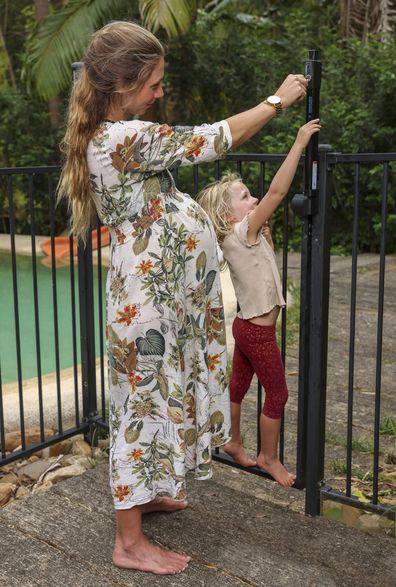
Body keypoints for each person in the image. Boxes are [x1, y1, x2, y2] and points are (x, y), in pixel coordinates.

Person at [58, 20, 307, 575]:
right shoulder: (122, 139)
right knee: (139, 407)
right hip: (145, 307)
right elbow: (215, 139)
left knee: (151, 398)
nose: (159, 92)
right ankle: (128, 542)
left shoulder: (118, 136)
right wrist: (278, 100)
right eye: (152, 83)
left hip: (157, 300)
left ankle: (143, 497)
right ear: (121, 83)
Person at [198, 119, 321, 488]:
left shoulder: (245, 234)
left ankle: (234, 440)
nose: (254, 201)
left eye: (252, 196)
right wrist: (299, 142)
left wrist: (265, 234)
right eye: (246, 198)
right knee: (278, 393)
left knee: (238, 386)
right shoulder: (242, 231)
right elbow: (279, 191)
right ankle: (269, 457)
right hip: (258, 333)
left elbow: (261, 267)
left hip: (246, 326)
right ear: (226, 215)